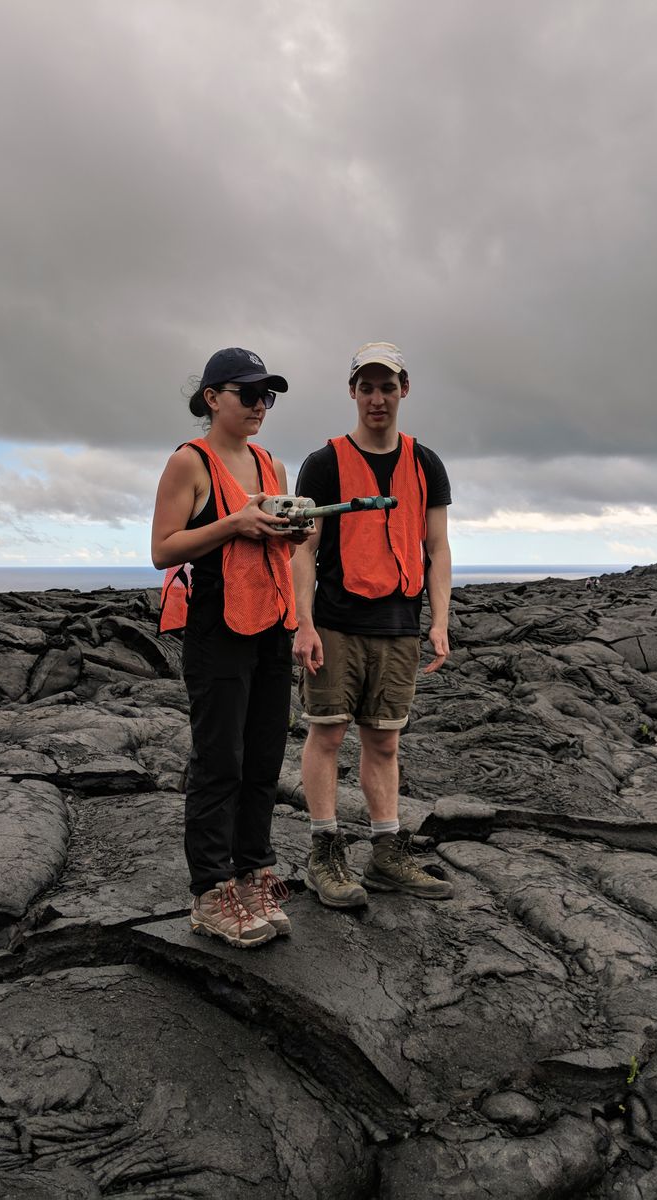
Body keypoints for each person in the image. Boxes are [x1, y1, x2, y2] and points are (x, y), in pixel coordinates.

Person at [291, 341, 455, 908]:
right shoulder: (324, 463)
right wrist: (304, 624)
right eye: (367, 388)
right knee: (327, 732)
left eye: (387, 387)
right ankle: (324, 852)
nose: (377, 398)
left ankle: (386, 853)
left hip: (399, 624)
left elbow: (437, 546)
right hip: (336, 621)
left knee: (384, 740)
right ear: (353, 392)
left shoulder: (426, 463)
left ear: (403, 390)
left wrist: (440, 620)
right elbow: (304, 549)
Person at [152, 347, 305, 948]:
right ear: (213, 398)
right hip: (216, 627)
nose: (260, 406)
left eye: (268, 396)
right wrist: (235, 523)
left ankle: (252, 874)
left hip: (271, 623)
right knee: (220, 761)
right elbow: (163, 548)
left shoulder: (271, 464)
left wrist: (293, 531)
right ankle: (210, 892)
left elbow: (279, 546)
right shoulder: (189, 462)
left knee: (264, 757)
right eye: (248, 394)